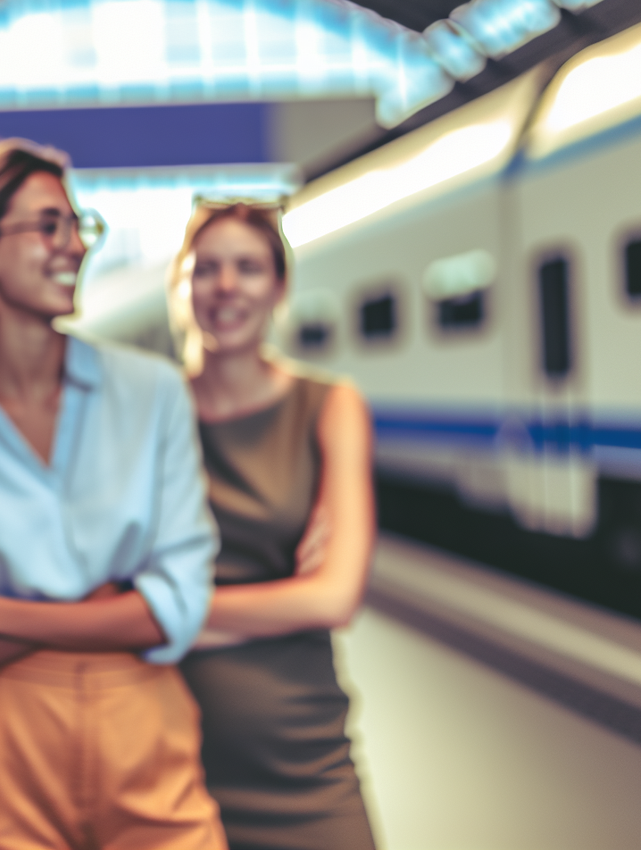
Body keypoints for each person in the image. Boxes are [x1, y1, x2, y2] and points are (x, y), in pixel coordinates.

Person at [0, 139, 226, 850]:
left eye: (76, 225)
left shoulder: (154, 393)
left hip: (145, 728)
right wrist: (112, 607)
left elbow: (179, 608)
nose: (74, 245)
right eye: (48, 226)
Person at [170, 201, 377, 850]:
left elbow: (333, 598)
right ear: (182, 287)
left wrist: (164, 615)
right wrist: (284, 598)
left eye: (249, 268)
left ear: (280, 288)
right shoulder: (149, 412)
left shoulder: (330, 405)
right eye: (207, 269)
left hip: (306, 757)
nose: (227, 287)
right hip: (168, 758)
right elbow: (107, 583)